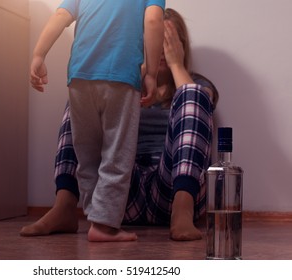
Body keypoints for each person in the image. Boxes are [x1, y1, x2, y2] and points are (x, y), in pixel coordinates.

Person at [22, 8, 219, 241]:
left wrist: (176, 64)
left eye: (170, 42)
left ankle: (182, 213)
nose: (163, 49)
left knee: (192, 93)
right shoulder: (125, 84)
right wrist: (138, 73)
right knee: (83, 95)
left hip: (171, 188)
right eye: (157, 39)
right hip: (120, 193)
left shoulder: (197, 83)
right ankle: (64, 206)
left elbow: (204, 102)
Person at [30, 1, 165, 242]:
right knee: (117, 153)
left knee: (87, 154)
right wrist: (152, 73)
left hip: (79, 77)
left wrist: (39, 55)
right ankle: (104, 226)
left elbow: (60, 16)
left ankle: (95, 216)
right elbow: (154, 20)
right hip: (121, 77)